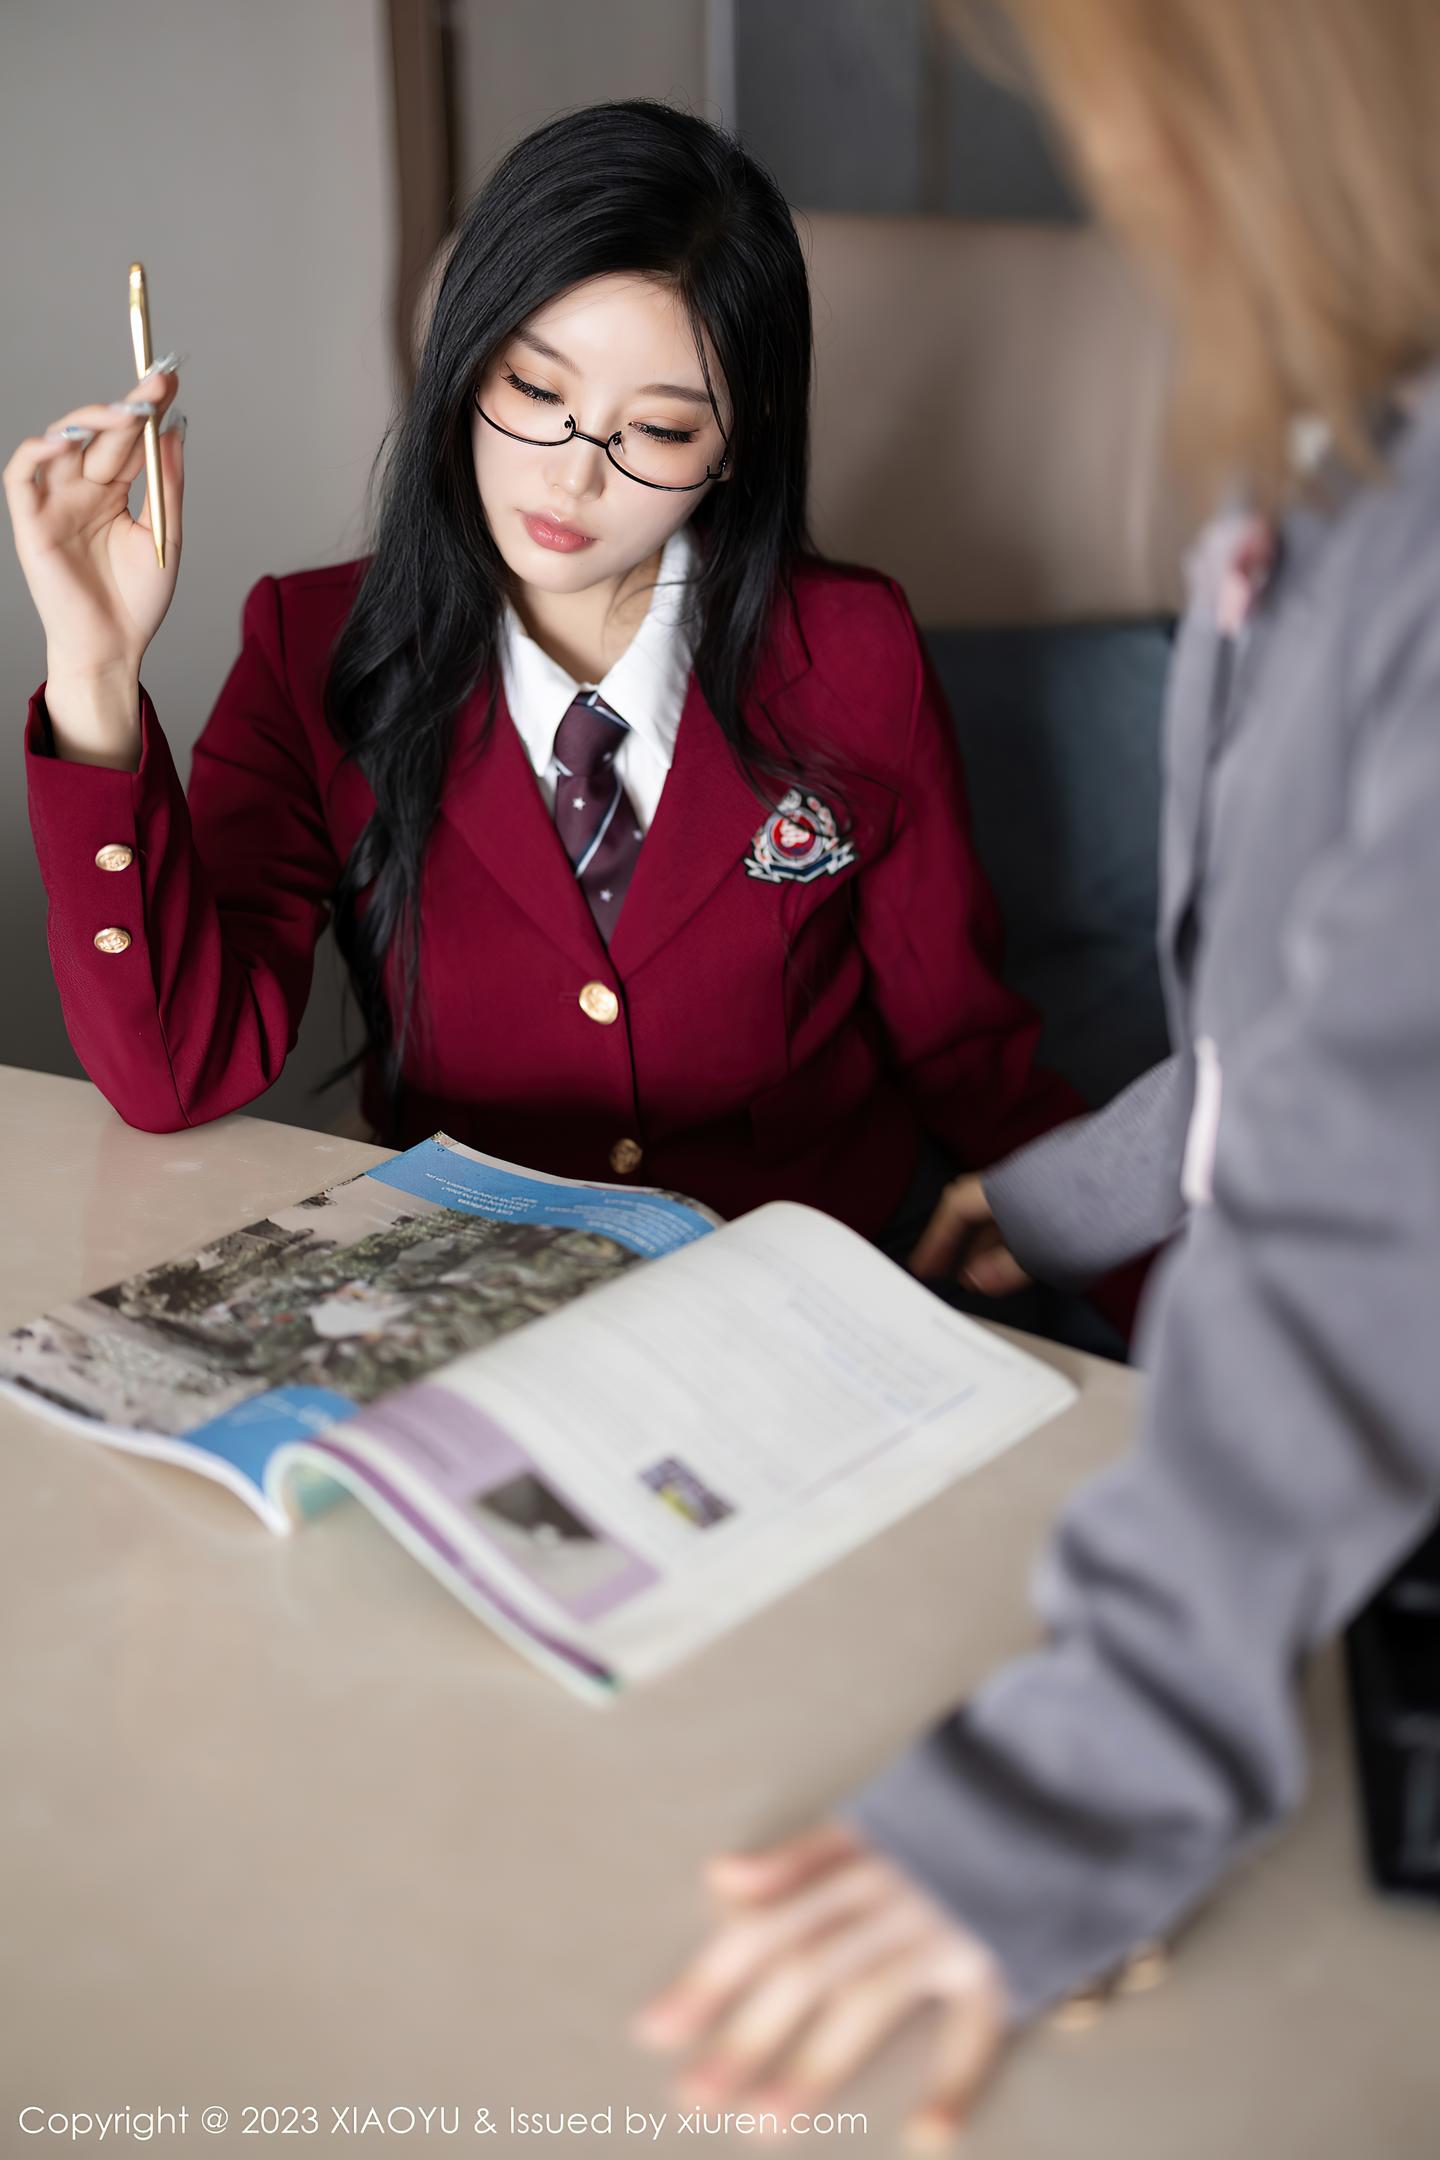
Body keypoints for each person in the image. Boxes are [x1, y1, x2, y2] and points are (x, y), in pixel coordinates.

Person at [632, 0, 1440, 2144]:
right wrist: (1082, 1187)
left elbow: (1381, 1167)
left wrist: (1098, 1767)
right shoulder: (1310, 470)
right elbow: (1306, 1026)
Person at [7, 98, 1095, 1294]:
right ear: (467, 356)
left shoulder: (853, 649)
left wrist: (1124, 1248)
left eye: (660, 429)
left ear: (739, 442)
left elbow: (964, 1047)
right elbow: (178, 1072)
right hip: (472, 1294)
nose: (573, 477)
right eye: (534, 390)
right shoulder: (309, 645)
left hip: (795, 1281)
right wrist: (95, 670)